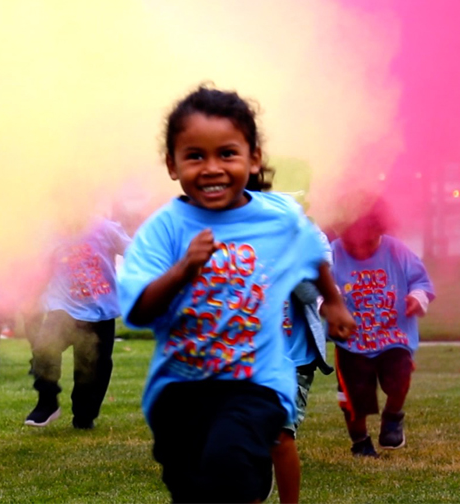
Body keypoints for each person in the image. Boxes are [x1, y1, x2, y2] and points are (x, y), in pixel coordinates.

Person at [118, 85, 355, 503]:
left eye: (227, 153)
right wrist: (184, 270)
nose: (212, 168)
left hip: (255, 380)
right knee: (193, 483)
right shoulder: (165, 228)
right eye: (195, 156)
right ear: (172, 165)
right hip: (182, 387)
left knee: (231, 462)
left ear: (254, 158)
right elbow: (138, 307)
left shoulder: (277, 216)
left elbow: (312, 253)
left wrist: (332, 302)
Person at [330, 193, 435, 457]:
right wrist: (329, 305)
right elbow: (322, 288)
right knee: (355, 399)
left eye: (370, 240)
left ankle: (392, 416)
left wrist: (416, 297)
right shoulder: (333, 254)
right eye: (355, 241)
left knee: (399, 377)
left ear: (381, 229)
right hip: (353, 342)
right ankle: (360, 442)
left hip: (393, 335)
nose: (362, 249)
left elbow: (421, 281)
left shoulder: (397, 250)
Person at [25, 216, 131, 429]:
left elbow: (135, 251)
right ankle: (47, 402)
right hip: (63, 308)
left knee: (93, 367)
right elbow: (39, 268)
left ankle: (84, 415)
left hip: (100, 312)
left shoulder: (105, 229)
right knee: (44, 349)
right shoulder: (50, 232)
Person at [272, 227, 334, 504]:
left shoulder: (313, 237)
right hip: (246, 354)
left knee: (281, 434)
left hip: (293, 358)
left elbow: (310, 291)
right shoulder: (236, 229)